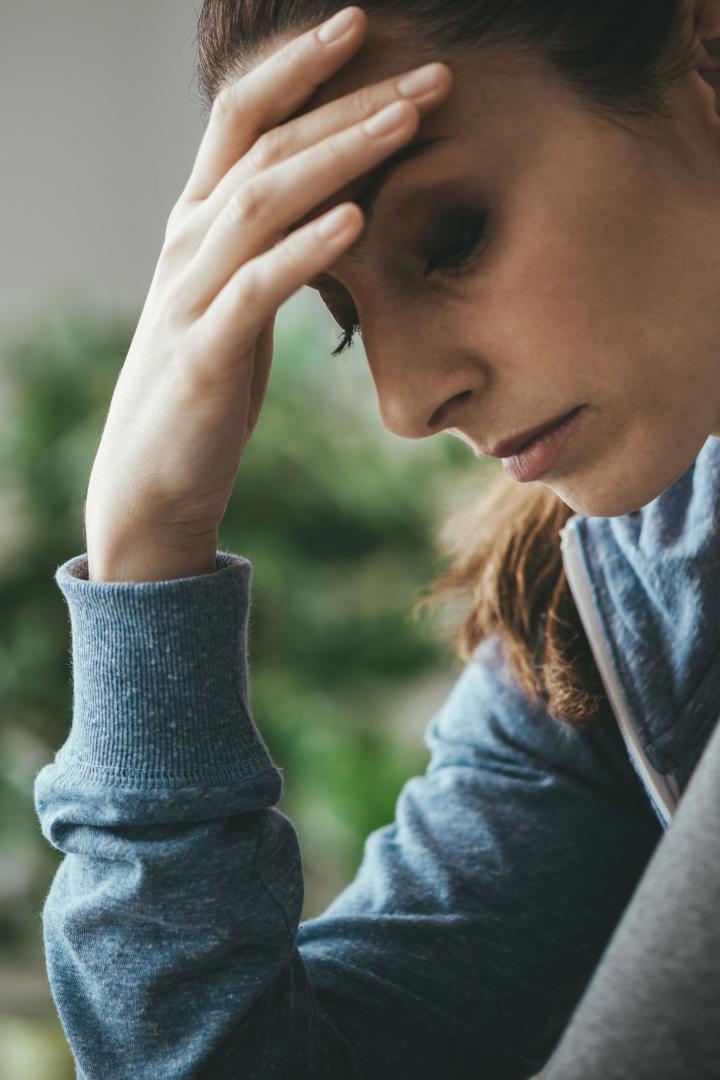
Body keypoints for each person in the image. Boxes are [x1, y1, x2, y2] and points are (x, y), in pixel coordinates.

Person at [33, 1, 720, 1076]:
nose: (405, 403)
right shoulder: (607, 603)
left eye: (452, 236)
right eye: (346, 318)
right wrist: (146, 552)